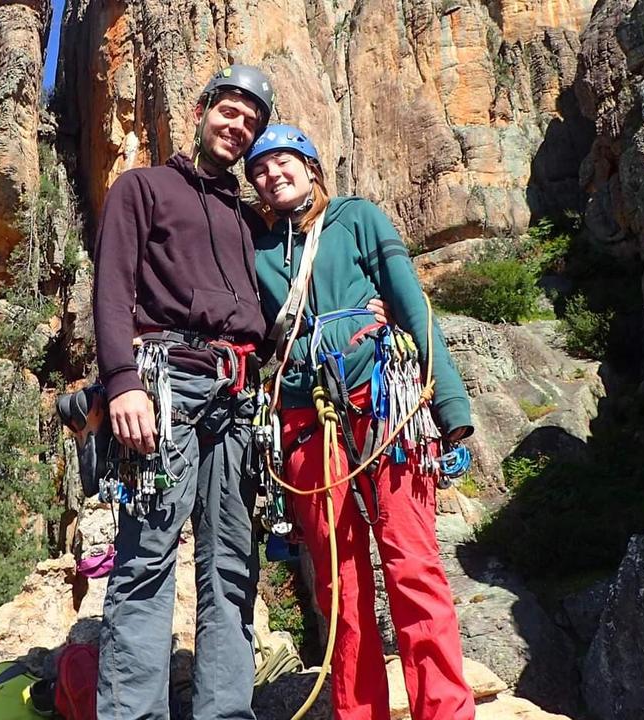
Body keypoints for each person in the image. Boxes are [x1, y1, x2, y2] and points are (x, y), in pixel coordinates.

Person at [244, 125, 476, 720]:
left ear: (311, 166)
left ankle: (445, 710)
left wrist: (452, 411)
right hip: (306, 420)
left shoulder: (358, 219)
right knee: (338, 584)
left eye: (283, 161)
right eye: (260, 169)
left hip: (384, 403)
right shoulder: (260, 251)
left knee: (413, 563)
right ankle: (358, 712)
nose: (273, 174)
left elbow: (410, 303)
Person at [91, 64, 275, 720]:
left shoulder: (252, 224)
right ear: (200, 111)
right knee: (146, 557)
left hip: (237, 399)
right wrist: (121, 384)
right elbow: (111, 287)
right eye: (228, 112)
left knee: (231, 567)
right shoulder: (142, 188)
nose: (238, 127)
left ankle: (224, 713)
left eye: (250, 122)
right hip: (165, 384)